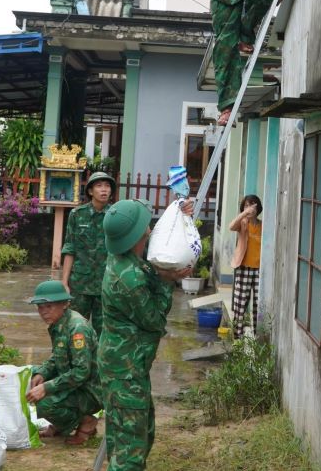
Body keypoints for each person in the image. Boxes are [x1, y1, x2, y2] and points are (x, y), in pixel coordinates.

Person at [99, 198, 193, 470]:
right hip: (124, 371)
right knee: (131, 452)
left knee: (136, 435)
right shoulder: (128, 279)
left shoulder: (124, 258)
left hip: (126, 368)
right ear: (137, 236)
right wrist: (167, 281)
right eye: (146, 227)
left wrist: (178, 215)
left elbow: (153, 254)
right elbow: (154, 320)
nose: (150, 230)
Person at [25, 280, 102, 445]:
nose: (43, 312)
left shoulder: (77, 328)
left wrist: (47, 387)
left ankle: (87, 422)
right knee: (29, 374)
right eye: (40, 307)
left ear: (65, 304)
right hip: (74, 384)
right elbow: (58, 356)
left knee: (43, 404)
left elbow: (81, 372)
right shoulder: (59, 323)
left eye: (49, 306)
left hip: (90, 390)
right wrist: (42, 373)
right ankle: (60, 425)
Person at [59, 171, 116, 336]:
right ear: (91, 191)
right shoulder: (77, 214)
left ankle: (98, 362)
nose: (104, 190)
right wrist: (64, 282)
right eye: (99, 186)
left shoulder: (115, 215)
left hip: (105, 285)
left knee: (104, 332)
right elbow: (70, 248)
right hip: (80, 285)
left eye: (107, 186)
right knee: (75, 329)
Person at [229, 194, 263, 339]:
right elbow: (231, 226)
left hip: (259, 270)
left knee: (258, 304)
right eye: (246, 205)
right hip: (243, 267)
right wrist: (244, 213)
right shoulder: (243, 223)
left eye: (252, 205)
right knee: (240, 304)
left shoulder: (263, 225)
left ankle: (257, 336)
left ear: (257, 207)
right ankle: (238, 337)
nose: (249, 208)